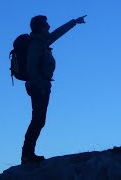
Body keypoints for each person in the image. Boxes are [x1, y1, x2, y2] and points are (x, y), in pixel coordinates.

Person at [21, 15, 87, 164]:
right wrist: (41, 86)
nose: (49, 27)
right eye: (46, 25)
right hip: (38, 88)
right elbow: (31, 68)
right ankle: (27, 155)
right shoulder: (36, 44)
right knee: (37, 120)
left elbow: (58, 32)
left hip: (41, 87)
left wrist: (74, 22)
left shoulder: (43, 41)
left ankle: (28, 154)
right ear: (40, 27)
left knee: (39, 120)